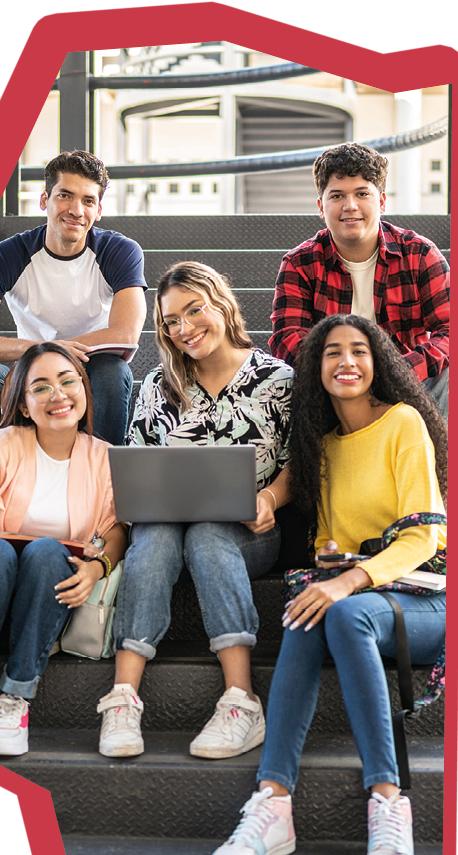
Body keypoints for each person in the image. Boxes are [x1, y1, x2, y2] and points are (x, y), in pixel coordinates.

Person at [205, 314, 447, 855]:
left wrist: (349, 580)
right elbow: (325, 547)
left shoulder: (404, 423)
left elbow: (424, 536)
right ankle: (272, 804)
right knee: (304, 611)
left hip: (427, 599)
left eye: (359, 350)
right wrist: (334, 566)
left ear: (379, 361)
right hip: (361, 601)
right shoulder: (323, 449)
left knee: (338, 605)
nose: (346, 361)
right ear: (314, 369)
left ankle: (389, 800)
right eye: (331, 352)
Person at [96, 261, 294, 760]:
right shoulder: (156, 386)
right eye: (171, 321)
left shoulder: (278, 379)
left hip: (248, 531)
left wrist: (269, 499)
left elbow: (304, 460)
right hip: (165, 529)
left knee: (208, 532)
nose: (184, 328)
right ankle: (123, 698)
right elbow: (136, 465)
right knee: (156, 531)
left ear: (222, 304)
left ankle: (241, 700)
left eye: (193, 311)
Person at [0, 342, 127, 756]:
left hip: (45, 608)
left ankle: (15, 699)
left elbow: (117, 533)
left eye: (67, 381)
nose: (57, 395)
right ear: (24, 405)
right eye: (40, 387)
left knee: (45, 554)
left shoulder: (105, 459)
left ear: (84, 388)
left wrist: (97, 569)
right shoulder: (0, 447)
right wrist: (6, 548)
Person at [0, 149, 148, 500]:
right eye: (65, 195)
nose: (76, 210)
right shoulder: (9, 254)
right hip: (27, 387)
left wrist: (61, 356)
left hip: (92, 390)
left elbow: (126, 333)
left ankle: (104, 500)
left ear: (99, 210)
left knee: (113, 370)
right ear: (45, 200)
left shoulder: (120, 251)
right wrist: (40, 352)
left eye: (88, 200)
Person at [270, 142, 450, 419]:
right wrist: (346, 372)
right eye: (337, 196)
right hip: (332, 391)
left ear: (381, 201)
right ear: (321, 206)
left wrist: (395, 373)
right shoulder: (299, 263)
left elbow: (452, 330)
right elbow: (288, 339)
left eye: (362, 193)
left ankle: (440, 462)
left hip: (409, 387)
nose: (350, 206)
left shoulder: (419, 253)